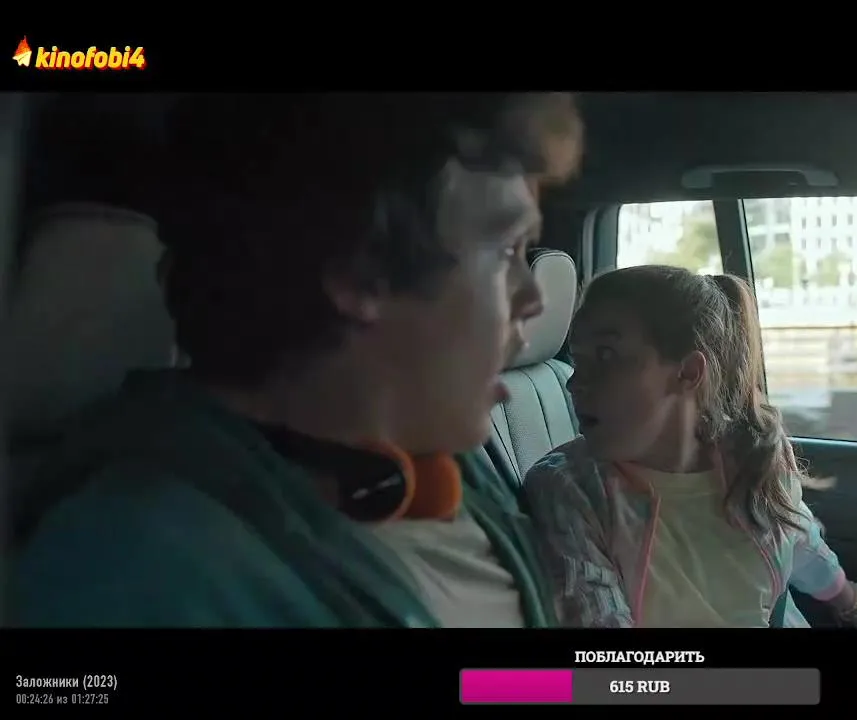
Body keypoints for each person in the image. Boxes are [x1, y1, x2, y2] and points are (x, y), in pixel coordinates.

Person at [11, 93, 583, 627]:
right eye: (508, 250)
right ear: (361, 272)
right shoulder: (139, 576)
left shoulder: (451, 465)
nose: (533, 298)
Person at [523, 265, 857, 628]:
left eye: (606, 355)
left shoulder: (752, 456)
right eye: (578, 360)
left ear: (688, 372)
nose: (575, 383)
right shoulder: (571, 488)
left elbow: (799, 541)